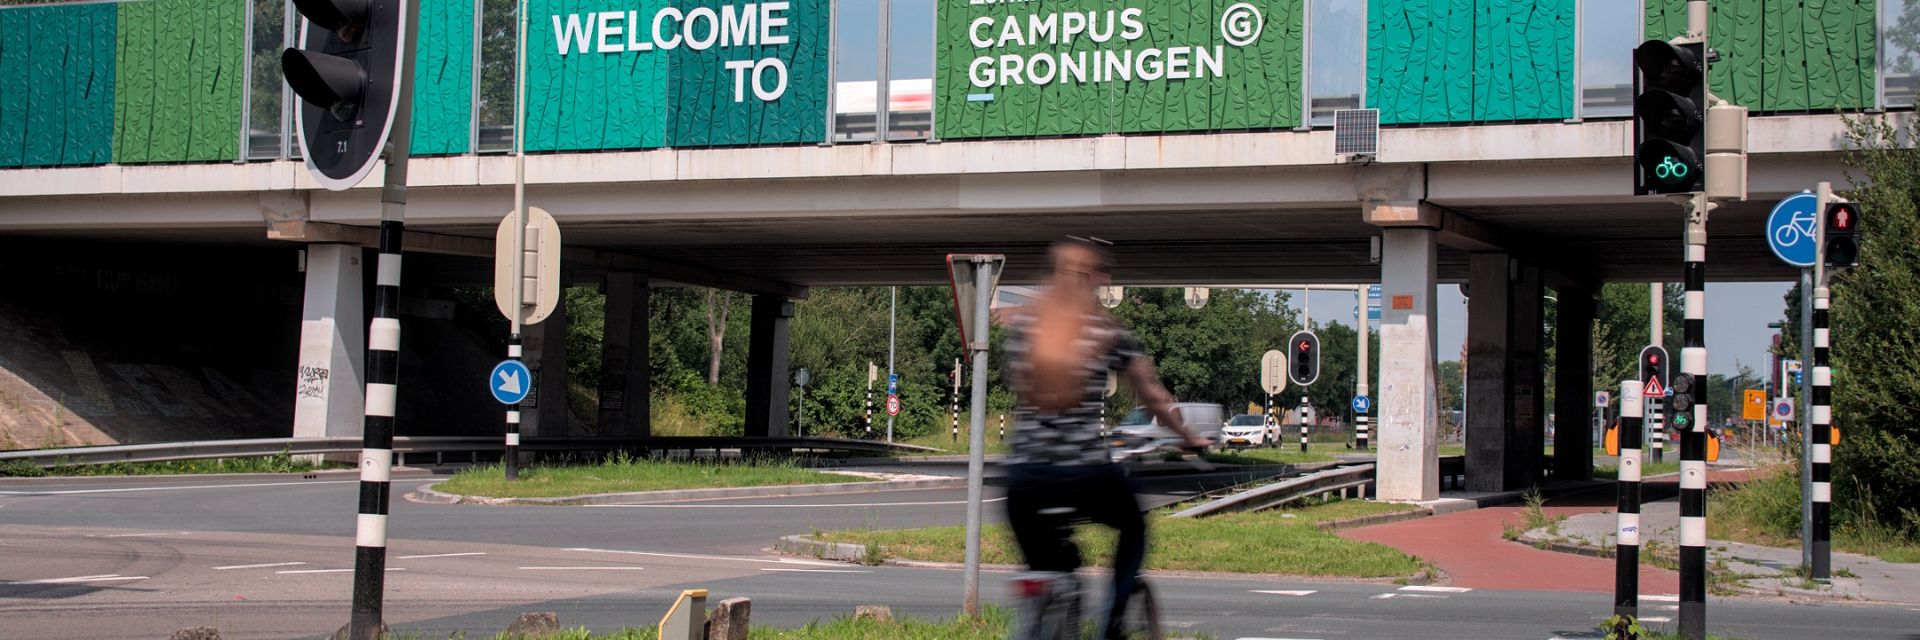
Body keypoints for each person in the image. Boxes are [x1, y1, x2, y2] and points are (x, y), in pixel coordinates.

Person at [1001, 237, 1210, 640]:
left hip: (1023, 482)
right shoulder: (1105, 329)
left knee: (1046, 567)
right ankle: (1113, 622)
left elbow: (1018, 385)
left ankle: (1044, 605)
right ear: (1094, 278)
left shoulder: (1025, 325)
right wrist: (1188, 436)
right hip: (1084, 476)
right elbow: (1152, 398)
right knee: (1134, 528)